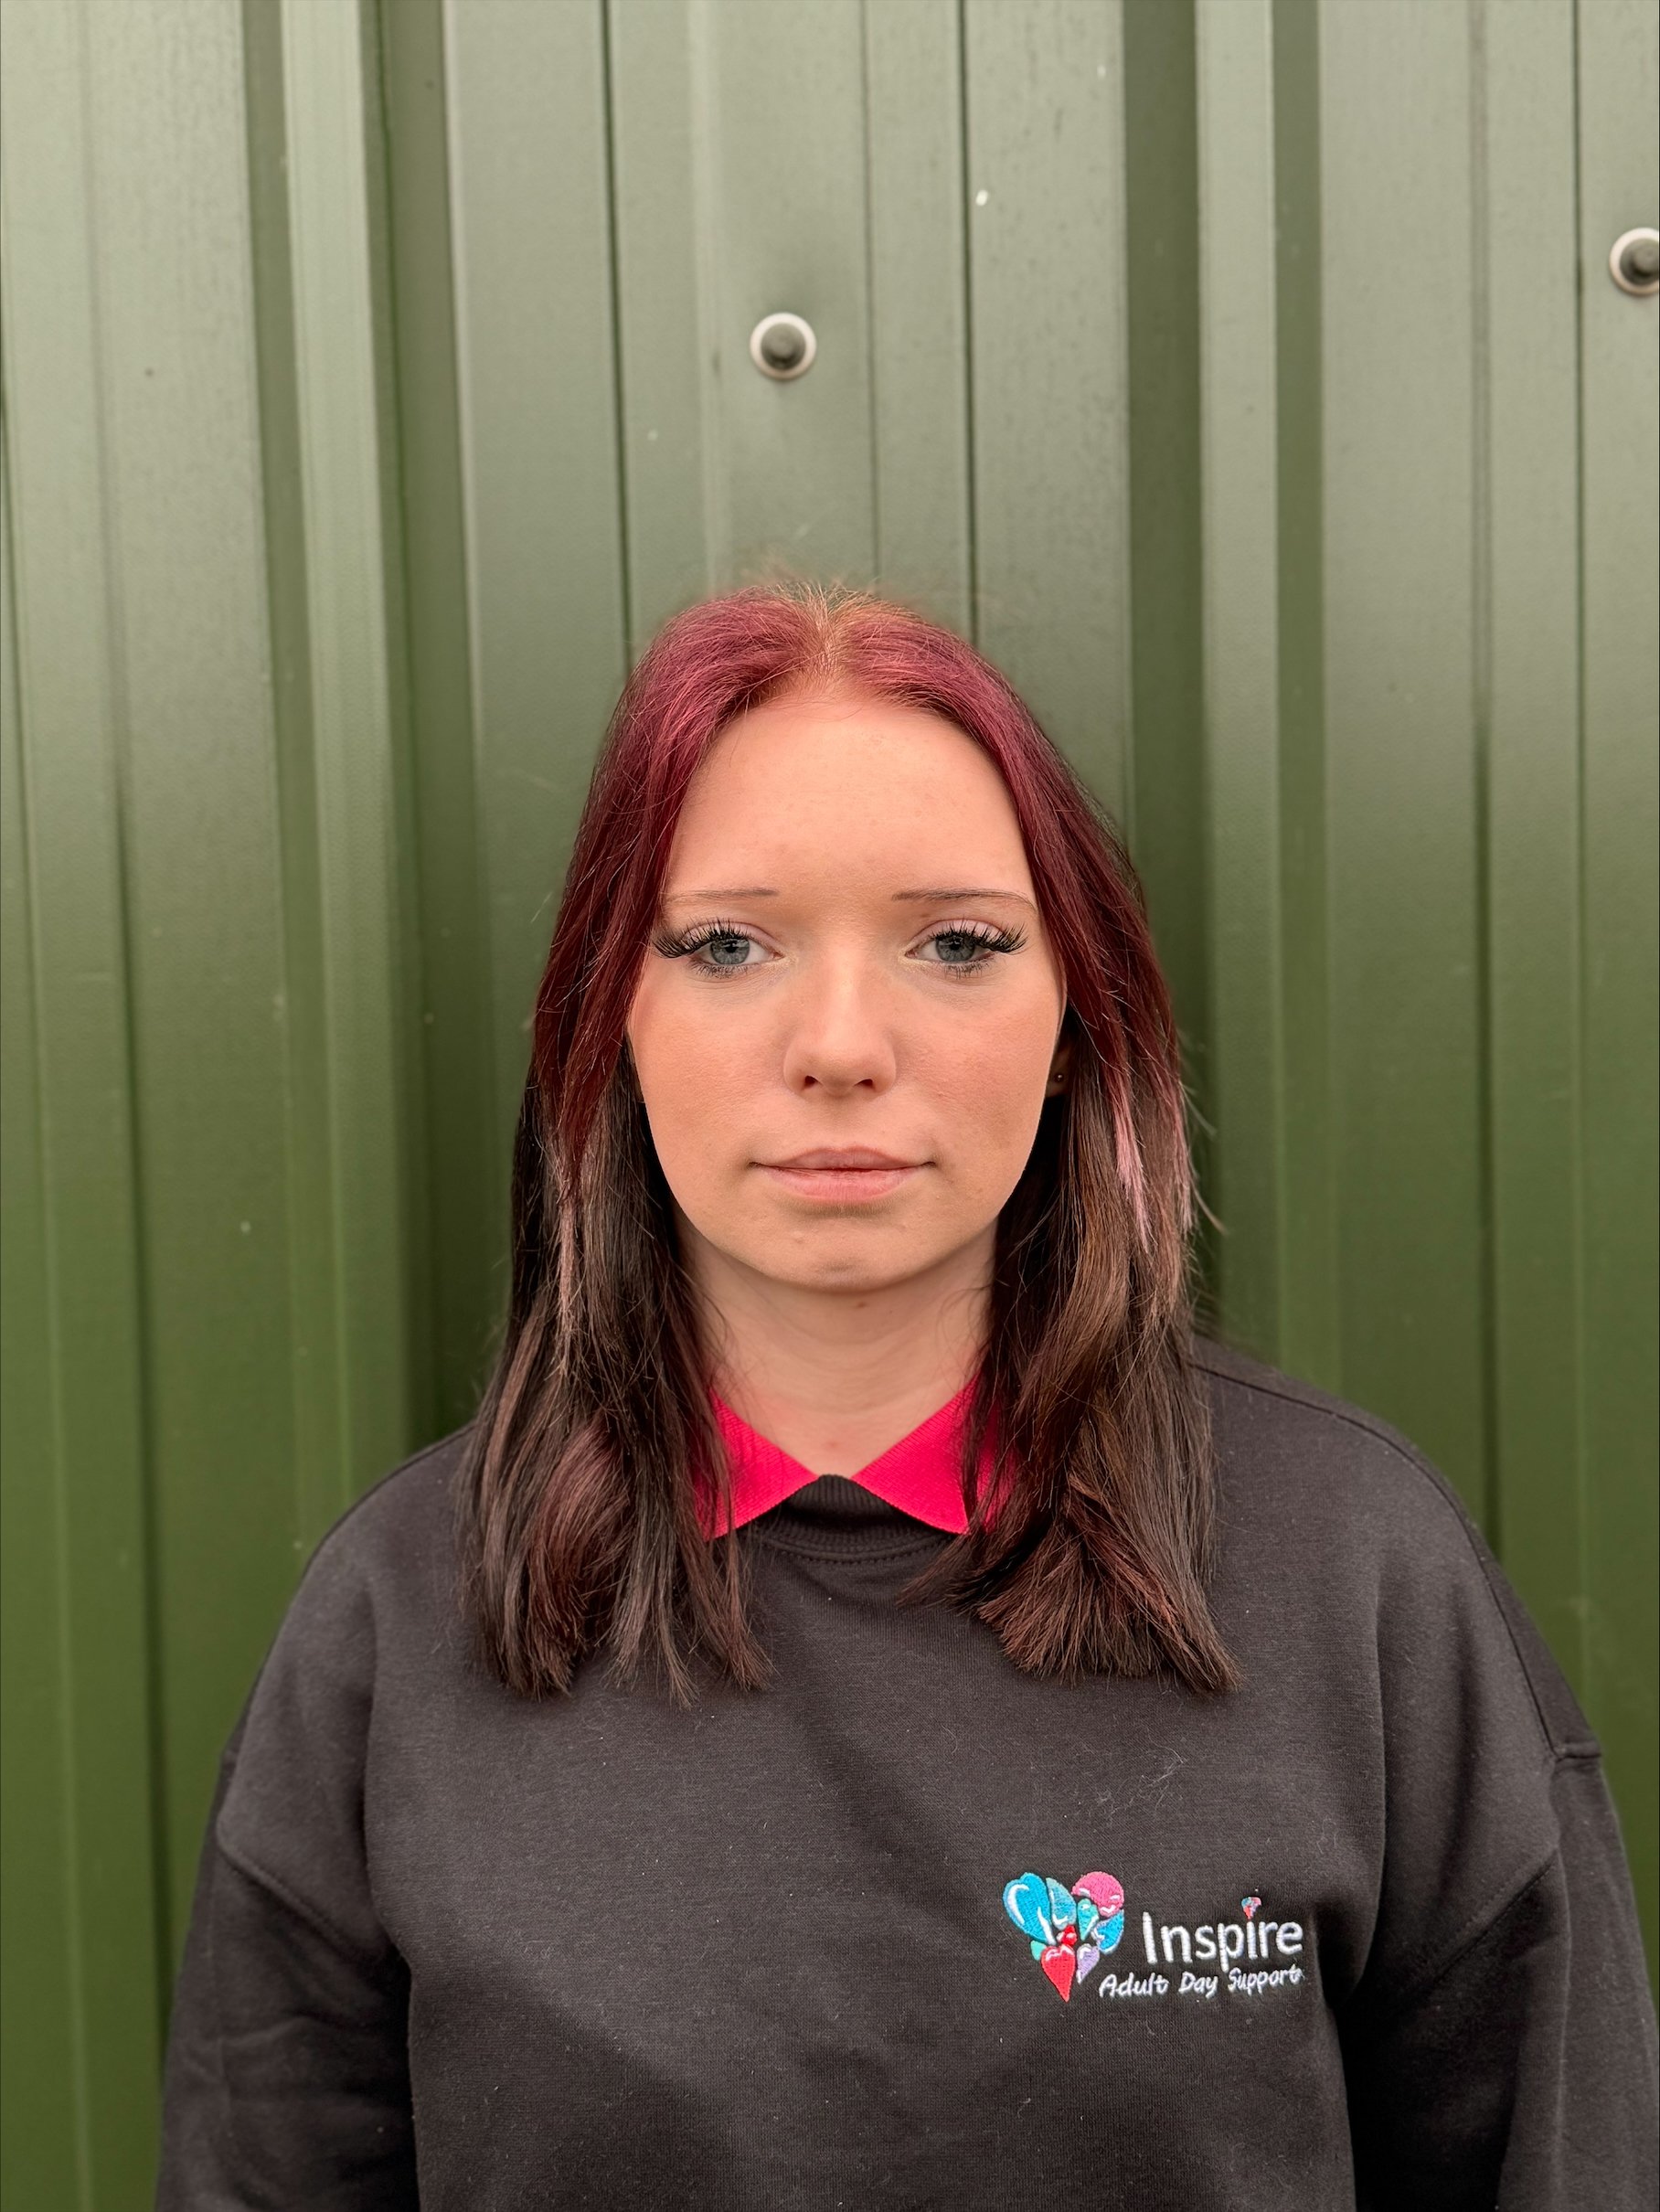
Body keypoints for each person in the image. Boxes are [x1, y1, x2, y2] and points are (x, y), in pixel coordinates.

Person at [155, 582, 1656, 2209]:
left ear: (1079, 1018)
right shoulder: (398, 1618)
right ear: (614, 1020)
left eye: (958, 943)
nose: (842, 1044)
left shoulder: (1359, 1573)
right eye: (728, 943)